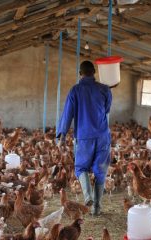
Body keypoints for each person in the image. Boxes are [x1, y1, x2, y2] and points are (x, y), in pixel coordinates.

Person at [56, 60, 112, 216]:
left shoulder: (75, 90)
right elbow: (107, 109)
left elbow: (68, 114)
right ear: (94, 72)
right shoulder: (105, 89)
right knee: (100, 171)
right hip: (102, 136)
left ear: (80, 74)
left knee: (81, 168)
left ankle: (87, 196)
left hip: (84, 136)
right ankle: (97, 208)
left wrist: (62, 136)